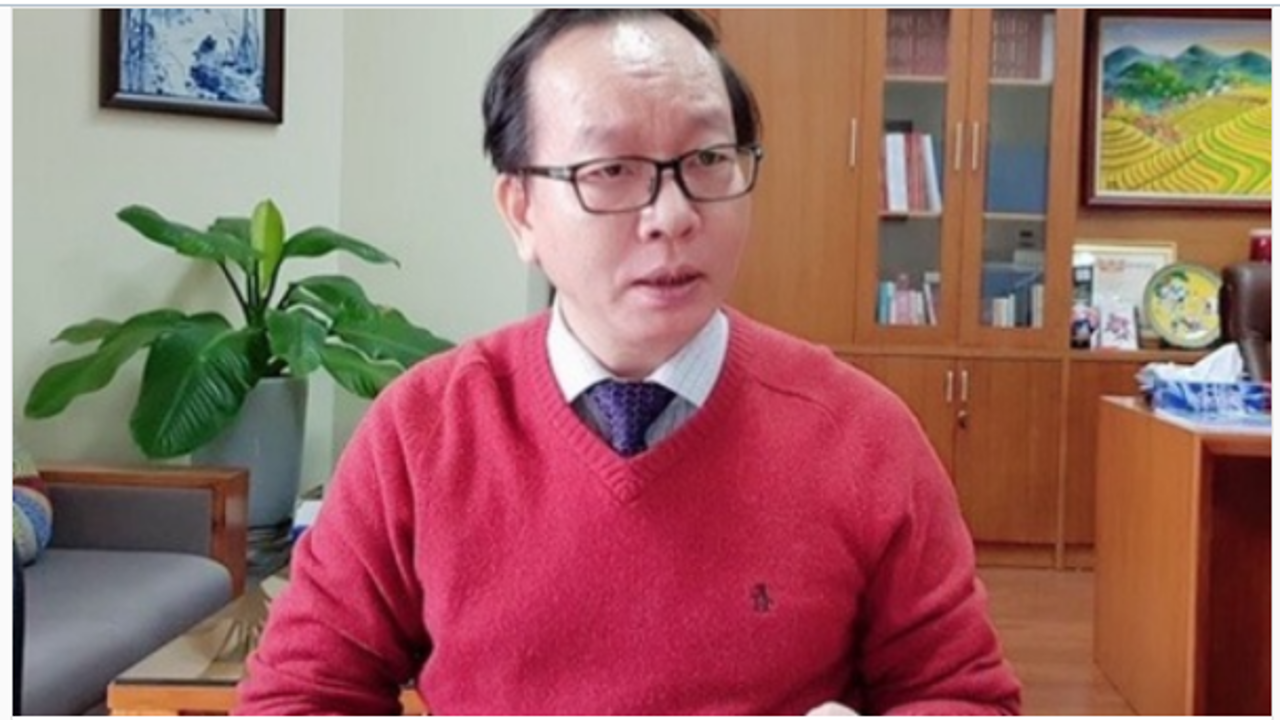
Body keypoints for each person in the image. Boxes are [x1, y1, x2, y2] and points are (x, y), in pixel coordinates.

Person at [235, 9, 1021, 715]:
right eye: (611, 170)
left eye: (708, 158)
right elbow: (301, 695)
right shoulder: (423, 431)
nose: (673, 216)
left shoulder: (861, 434)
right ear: (520, 211)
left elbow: (960, 691)